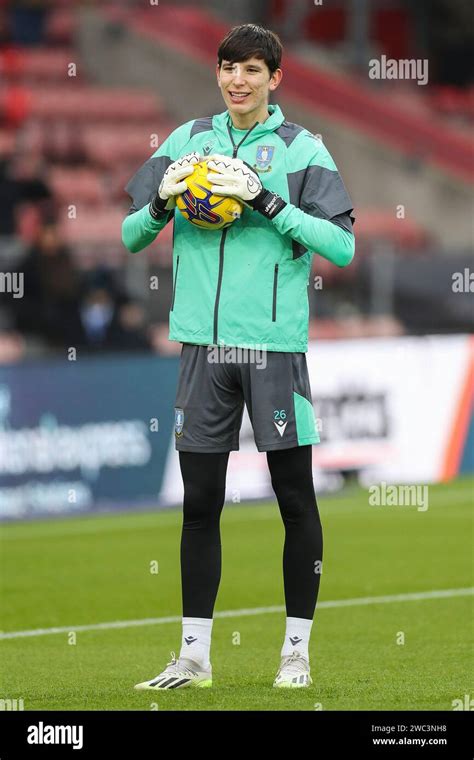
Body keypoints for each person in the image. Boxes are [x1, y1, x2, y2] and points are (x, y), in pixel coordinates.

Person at [123, 24, 355, 690]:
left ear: (275, 78)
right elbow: (130, 232)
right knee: (200, 504)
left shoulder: (303, 149)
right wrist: (163, 201)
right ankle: (194, 657)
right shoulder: (187, 142)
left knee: (293, 500)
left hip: (271, 348)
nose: (238, 80)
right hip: (201, 346)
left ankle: (295, 655)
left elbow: (340, 247)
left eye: (252, 69)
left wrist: (266, 200)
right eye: (228, 67)